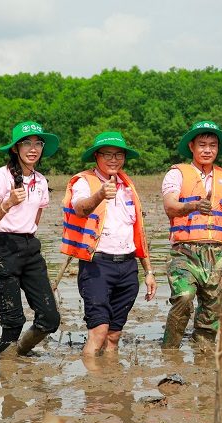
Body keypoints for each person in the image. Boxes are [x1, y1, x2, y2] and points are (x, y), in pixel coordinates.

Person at [61, 131, 156, 357]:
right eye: (107, 154)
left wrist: (149, 272)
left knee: (114, 335)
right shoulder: (84, 182)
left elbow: (137, 233)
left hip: (128, 267)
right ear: (96, 156)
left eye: (119, 155)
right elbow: (80, 208)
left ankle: (112, 376)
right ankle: (93, 377)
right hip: (97, 265)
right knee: (99, 331)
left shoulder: (127, 187)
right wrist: (101, 195)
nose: (114, 159)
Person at [161, 120, 222, 349]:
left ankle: (203, 352)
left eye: (212, 145)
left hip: (216, 254)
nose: (207, 150)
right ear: (191, 146)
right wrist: (194, 206)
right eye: (202, 144)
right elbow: (170, 206)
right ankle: (170, 351)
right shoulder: (176, 174)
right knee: (184, 296)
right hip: (184, 251)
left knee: (213, 310)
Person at [0, 121, 61, 357]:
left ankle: (18, 353)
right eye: (26, 143)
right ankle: (7, 366)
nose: (33, 148)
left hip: (30, 248)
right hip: (4, 248)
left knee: (50, 318)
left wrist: (27, 242)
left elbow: (34, 221)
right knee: (13, 320)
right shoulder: (1, 176)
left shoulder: (41, 181)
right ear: (15, 148)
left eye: (38, 143)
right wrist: (8, 203)